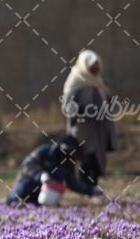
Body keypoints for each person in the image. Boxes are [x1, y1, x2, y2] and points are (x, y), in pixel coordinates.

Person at [62, 50, 116, 186]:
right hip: (82, 129)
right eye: (92, 67)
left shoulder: (100, 82)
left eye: (97, 68)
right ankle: (83, 187)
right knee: (84, 158)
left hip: (99, 129)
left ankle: (93, 187)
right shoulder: (75, 81)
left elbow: (108, 102)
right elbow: (68, 107)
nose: (94, 70)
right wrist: (86, 111)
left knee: (97, 159)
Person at [6, 134, 103, 206]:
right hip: (29, 184)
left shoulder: (67, 163)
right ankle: (13, 201)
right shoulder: (45, 151)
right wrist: (40, 175)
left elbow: (72, 183)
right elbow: (27, 165)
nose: (68, 155)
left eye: (71, 152)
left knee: (46, 199)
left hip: (44, 193)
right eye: (66, 151)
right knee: (23, 188)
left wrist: (91, 190)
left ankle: (35, 204)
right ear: (60, 146)